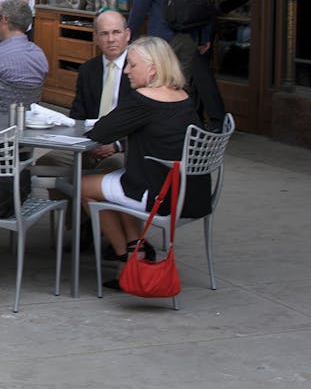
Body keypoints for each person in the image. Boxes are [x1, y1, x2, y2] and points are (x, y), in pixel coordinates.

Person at [78, 36, 212, 289]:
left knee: (82, 186)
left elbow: (99, 132)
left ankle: (125, 255)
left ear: (152, 69)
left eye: (132, 65)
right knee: (114, 175)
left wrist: (114, 137)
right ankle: (136, 246)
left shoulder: (144, 99)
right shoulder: (183, 97)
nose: (127, 70)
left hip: (159, 195)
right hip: (191, 193)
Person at [128, 0, 225, 128]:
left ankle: (161, 128)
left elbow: (140, 6)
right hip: (190, 36)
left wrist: (129, 34)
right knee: (183, 87)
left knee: (159, 85)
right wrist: (205, 36)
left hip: (162, 39)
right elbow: (202, 2)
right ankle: (183, 129)